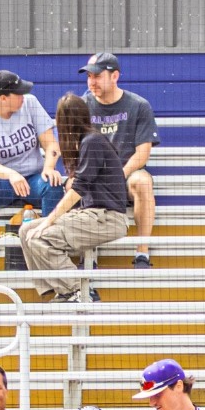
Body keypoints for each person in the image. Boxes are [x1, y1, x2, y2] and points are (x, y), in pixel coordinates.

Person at [20, 94, 129, 302]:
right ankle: (55, 290)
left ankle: (78, 290)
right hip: (91, 215)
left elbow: (78, 188)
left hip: (107, 218)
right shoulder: (85, 143)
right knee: (26, 230)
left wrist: (51, 220)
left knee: (40, 236)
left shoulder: (93, 142)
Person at [0, 70, 64, 270]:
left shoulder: (30, 103)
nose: (23, 96)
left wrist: (49, 167)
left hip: (34, 180)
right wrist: (11, 174)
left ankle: (48, 253)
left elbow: (51, 145)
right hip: (5, 183)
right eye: (18, 93)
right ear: (3, 99)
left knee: (53, 183)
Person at [80, 52, 159, 267]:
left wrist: (117, 175)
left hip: (125, 175)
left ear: (115, 76)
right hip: (93, 176)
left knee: (143, 181)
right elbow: (73, 150)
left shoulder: (138, 105)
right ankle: (87, 258)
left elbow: (143, 153)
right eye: (88, 77)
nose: (91, 81)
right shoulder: (81, 105)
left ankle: (142, 253)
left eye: (97, 76)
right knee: (72, 183)